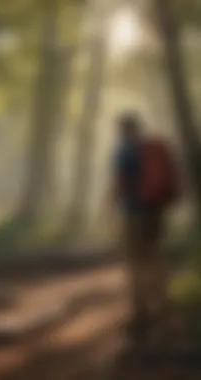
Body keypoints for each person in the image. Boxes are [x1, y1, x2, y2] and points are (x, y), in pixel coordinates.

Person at [111, 112, 181, 343]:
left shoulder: (124, 150)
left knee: (135, 261)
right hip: (155, 211)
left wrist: (113, 205)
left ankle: (140, 314)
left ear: (124, 129)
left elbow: (119, 183)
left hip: (133, 214)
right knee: (154, 257)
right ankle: (162, 308)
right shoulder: (150, 148)